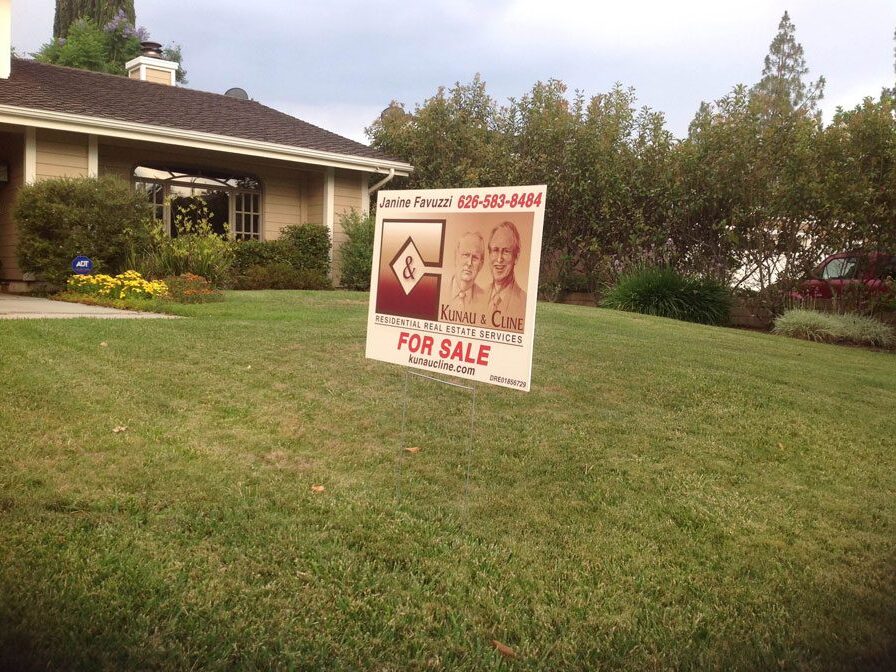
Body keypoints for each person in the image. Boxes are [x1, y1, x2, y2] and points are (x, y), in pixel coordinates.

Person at [486, 221, 527, 327]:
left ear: (516, 257)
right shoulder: (476, 296)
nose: (499, 259)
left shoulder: (525, 304)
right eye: (495, 250)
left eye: (506, 251)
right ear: (489, 254)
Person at [442, 231, 487, 313]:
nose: (469, 263)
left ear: (481, 264)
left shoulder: (486, 302)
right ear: (456, 257)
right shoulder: (438, 290)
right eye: (466, 255)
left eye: (475, 258)